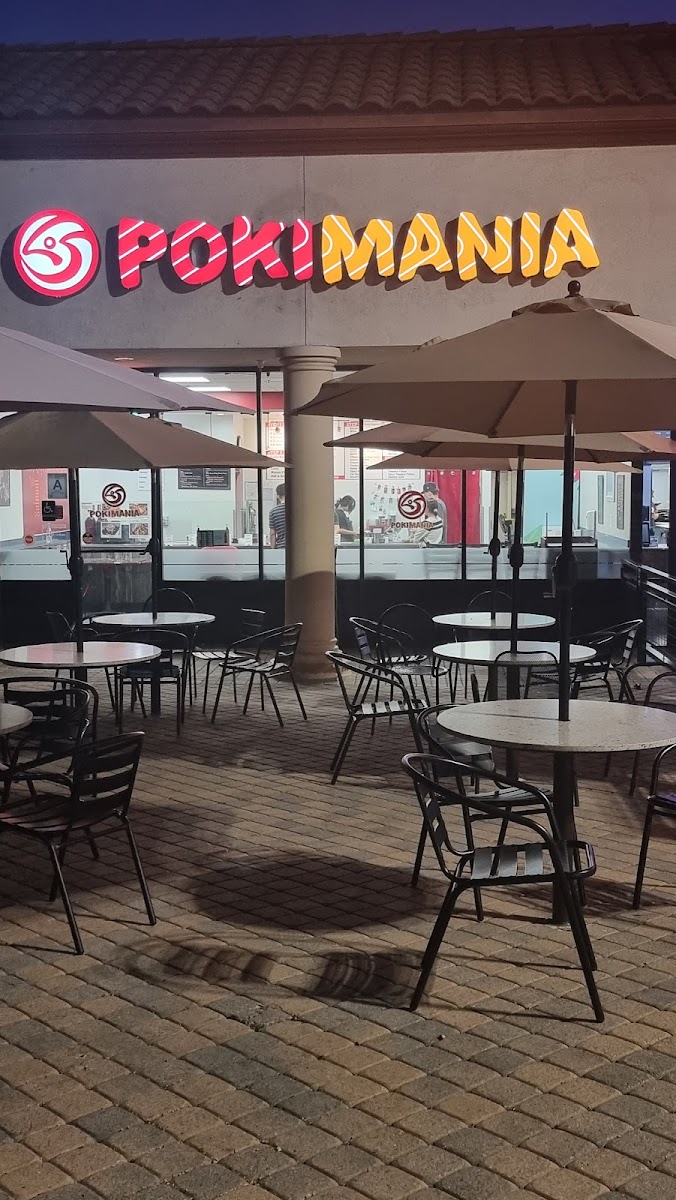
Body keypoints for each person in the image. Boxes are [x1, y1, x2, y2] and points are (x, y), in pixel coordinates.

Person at [268, 483, 286, 548]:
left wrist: (273, 549)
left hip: (281, 547)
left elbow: (272, 534)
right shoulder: (298, 510)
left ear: (278, 496)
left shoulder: (273, 511)